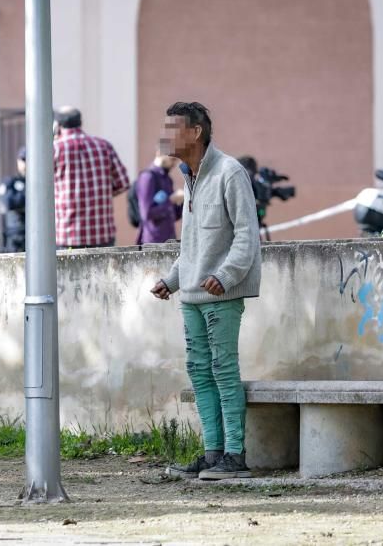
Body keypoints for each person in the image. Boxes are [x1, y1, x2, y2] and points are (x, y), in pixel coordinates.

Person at [151, 102, 262, 481]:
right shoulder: (190, 176)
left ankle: (235, 455)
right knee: (199, 371)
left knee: (223, 369)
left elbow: (247, 235)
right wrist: (170, 280)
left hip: (222, 295)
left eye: (173, 127)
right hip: (193, 296)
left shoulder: (230, 172)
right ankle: (214, 452)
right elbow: (192, 248)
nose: (165, 135)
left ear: (196, 132)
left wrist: (227, 275)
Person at [52, 106, 130, 249]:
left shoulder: (54, 149)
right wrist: (101, 194)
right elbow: (123, 183)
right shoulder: (104, 146)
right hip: (102, 234)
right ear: (80, 122)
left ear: (57, 125)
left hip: (67, 236)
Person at [134, 149, 183, 246]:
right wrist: (171, 200)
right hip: (152, 243)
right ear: (160, 153)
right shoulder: (147, 177)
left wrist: (183, 202)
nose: (174, 163)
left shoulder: (167, 179)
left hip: (169, 241)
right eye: (172, 159)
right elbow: (146, 214)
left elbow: (173, 214)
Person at [0, 147, 27, 253]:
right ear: (18, 161)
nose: (25, 164)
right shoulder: (11, 182)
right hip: (14, 236)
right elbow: (8, 202)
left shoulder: (35, 183)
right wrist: (25, 196)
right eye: (23, 160)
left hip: (32, 234)